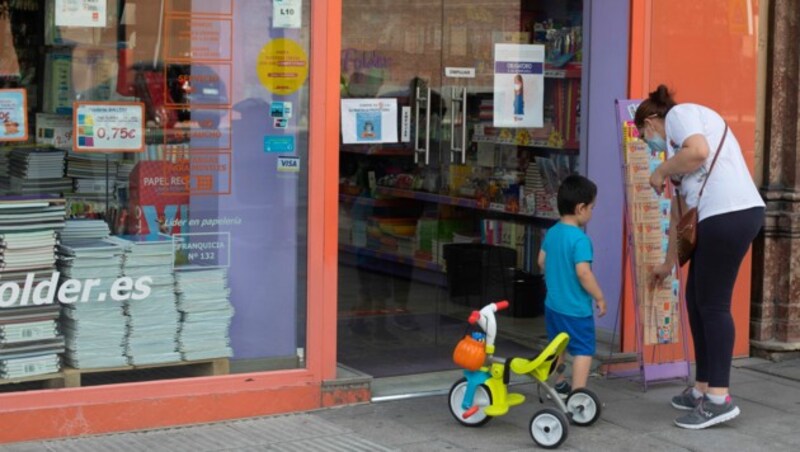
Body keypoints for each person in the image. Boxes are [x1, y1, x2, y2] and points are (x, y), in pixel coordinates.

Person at [635, 85, 765, 430]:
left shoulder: (680, 116)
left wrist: (661, 172)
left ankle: (719, 399)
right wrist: (667, 264)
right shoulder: (676, 157)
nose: (650, 146)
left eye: (645, 137)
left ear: (651, 121)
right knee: (695, 300)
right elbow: (679, 220)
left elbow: (700, 150)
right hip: (718, 218)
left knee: (713, 305)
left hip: (730, 213)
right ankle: (703, 387)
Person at [538, 174, 607, 398]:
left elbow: (541, 261)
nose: (592, 212)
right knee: (583, 350)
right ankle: (578, 394)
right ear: (580, 208)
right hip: (576, 309)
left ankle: (556, 384)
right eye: (592, 207)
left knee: (557, 346)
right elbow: (583, 273)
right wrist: (599, 297)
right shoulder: (580, 240)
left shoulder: (553, 232)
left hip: (553, 306)